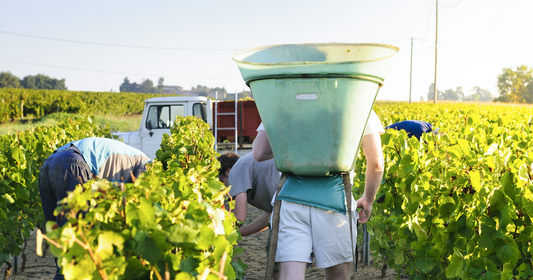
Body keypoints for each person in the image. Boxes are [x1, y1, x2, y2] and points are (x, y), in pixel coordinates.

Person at [252, 110, 385, 280]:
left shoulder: (282, 97)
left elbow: (259, 152)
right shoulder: (358, 95)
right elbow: (376, 163)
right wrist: (368, 199)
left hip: (291, 199)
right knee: (338, 277)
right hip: (335, 201)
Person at [39, 137, 151, 280]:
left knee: (57, 231)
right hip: (73, 165)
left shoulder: (131, 156)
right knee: (78, 240)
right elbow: (140, 201)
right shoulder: (145, 163)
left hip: (49, 164)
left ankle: (63, 272)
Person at [218, 151, 281, 279]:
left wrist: (221, 233)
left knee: (276, 257)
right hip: (292, 204)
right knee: (280, 259)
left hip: (289, 205)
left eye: (221, 181)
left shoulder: (237, 170)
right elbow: (272, 216)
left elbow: (240, 217)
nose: (224, 187)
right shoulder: (248, 167)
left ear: (228, 170)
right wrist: (239, 233)